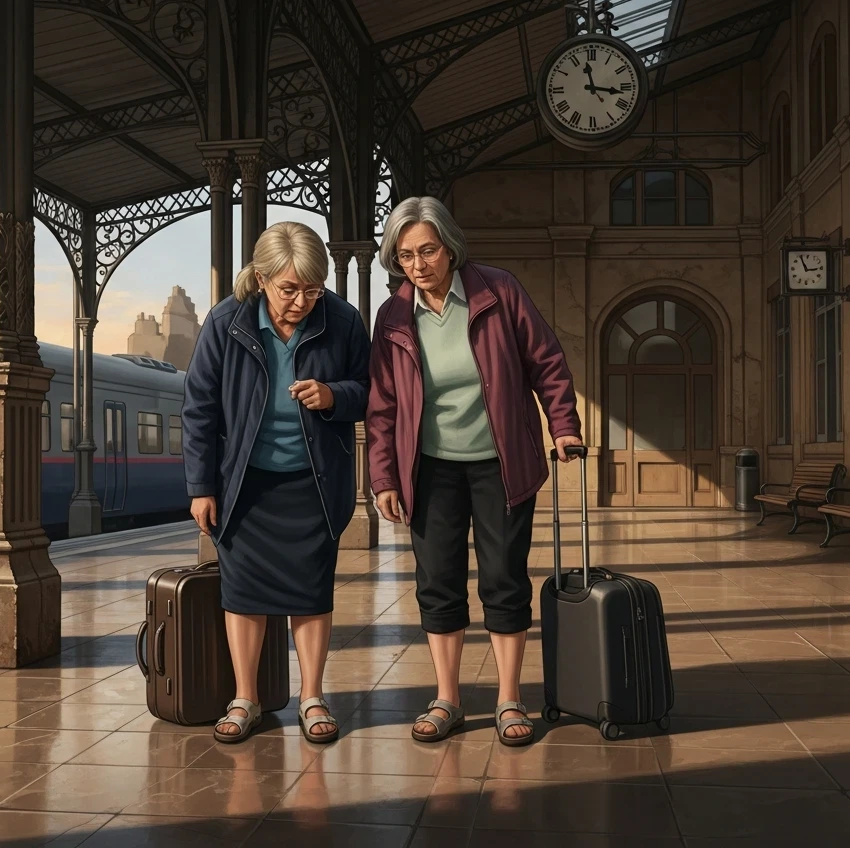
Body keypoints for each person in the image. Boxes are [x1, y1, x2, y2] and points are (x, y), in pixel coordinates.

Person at [366, 196, 583, 747]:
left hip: (501, 461)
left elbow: (546, 361)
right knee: (436, 583)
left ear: (450, 246)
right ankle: (448, 699)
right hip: (429, 469)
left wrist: (563, 425)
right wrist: (384, 476)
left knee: (504, 580)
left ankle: (510, 698)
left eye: (428, 250)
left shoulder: (497, 290)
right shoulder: (393, 315)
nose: (418, 264)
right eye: (406, 255)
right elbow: (383, 404)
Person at [181, 221, 371, 745]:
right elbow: (198, 409)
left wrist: (334, 396)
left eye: (313, 289)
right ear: (261, 278)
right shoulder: (226, 322)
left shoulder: (344, 320)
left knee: (311, 594)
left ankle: (312, 697)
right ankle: (246, 698)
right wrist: (201, 486)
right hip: (244, 486)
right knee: (243, 596)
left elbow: (371, 390)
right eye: (290, 289)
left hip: (313, 483)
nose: (302, 301)